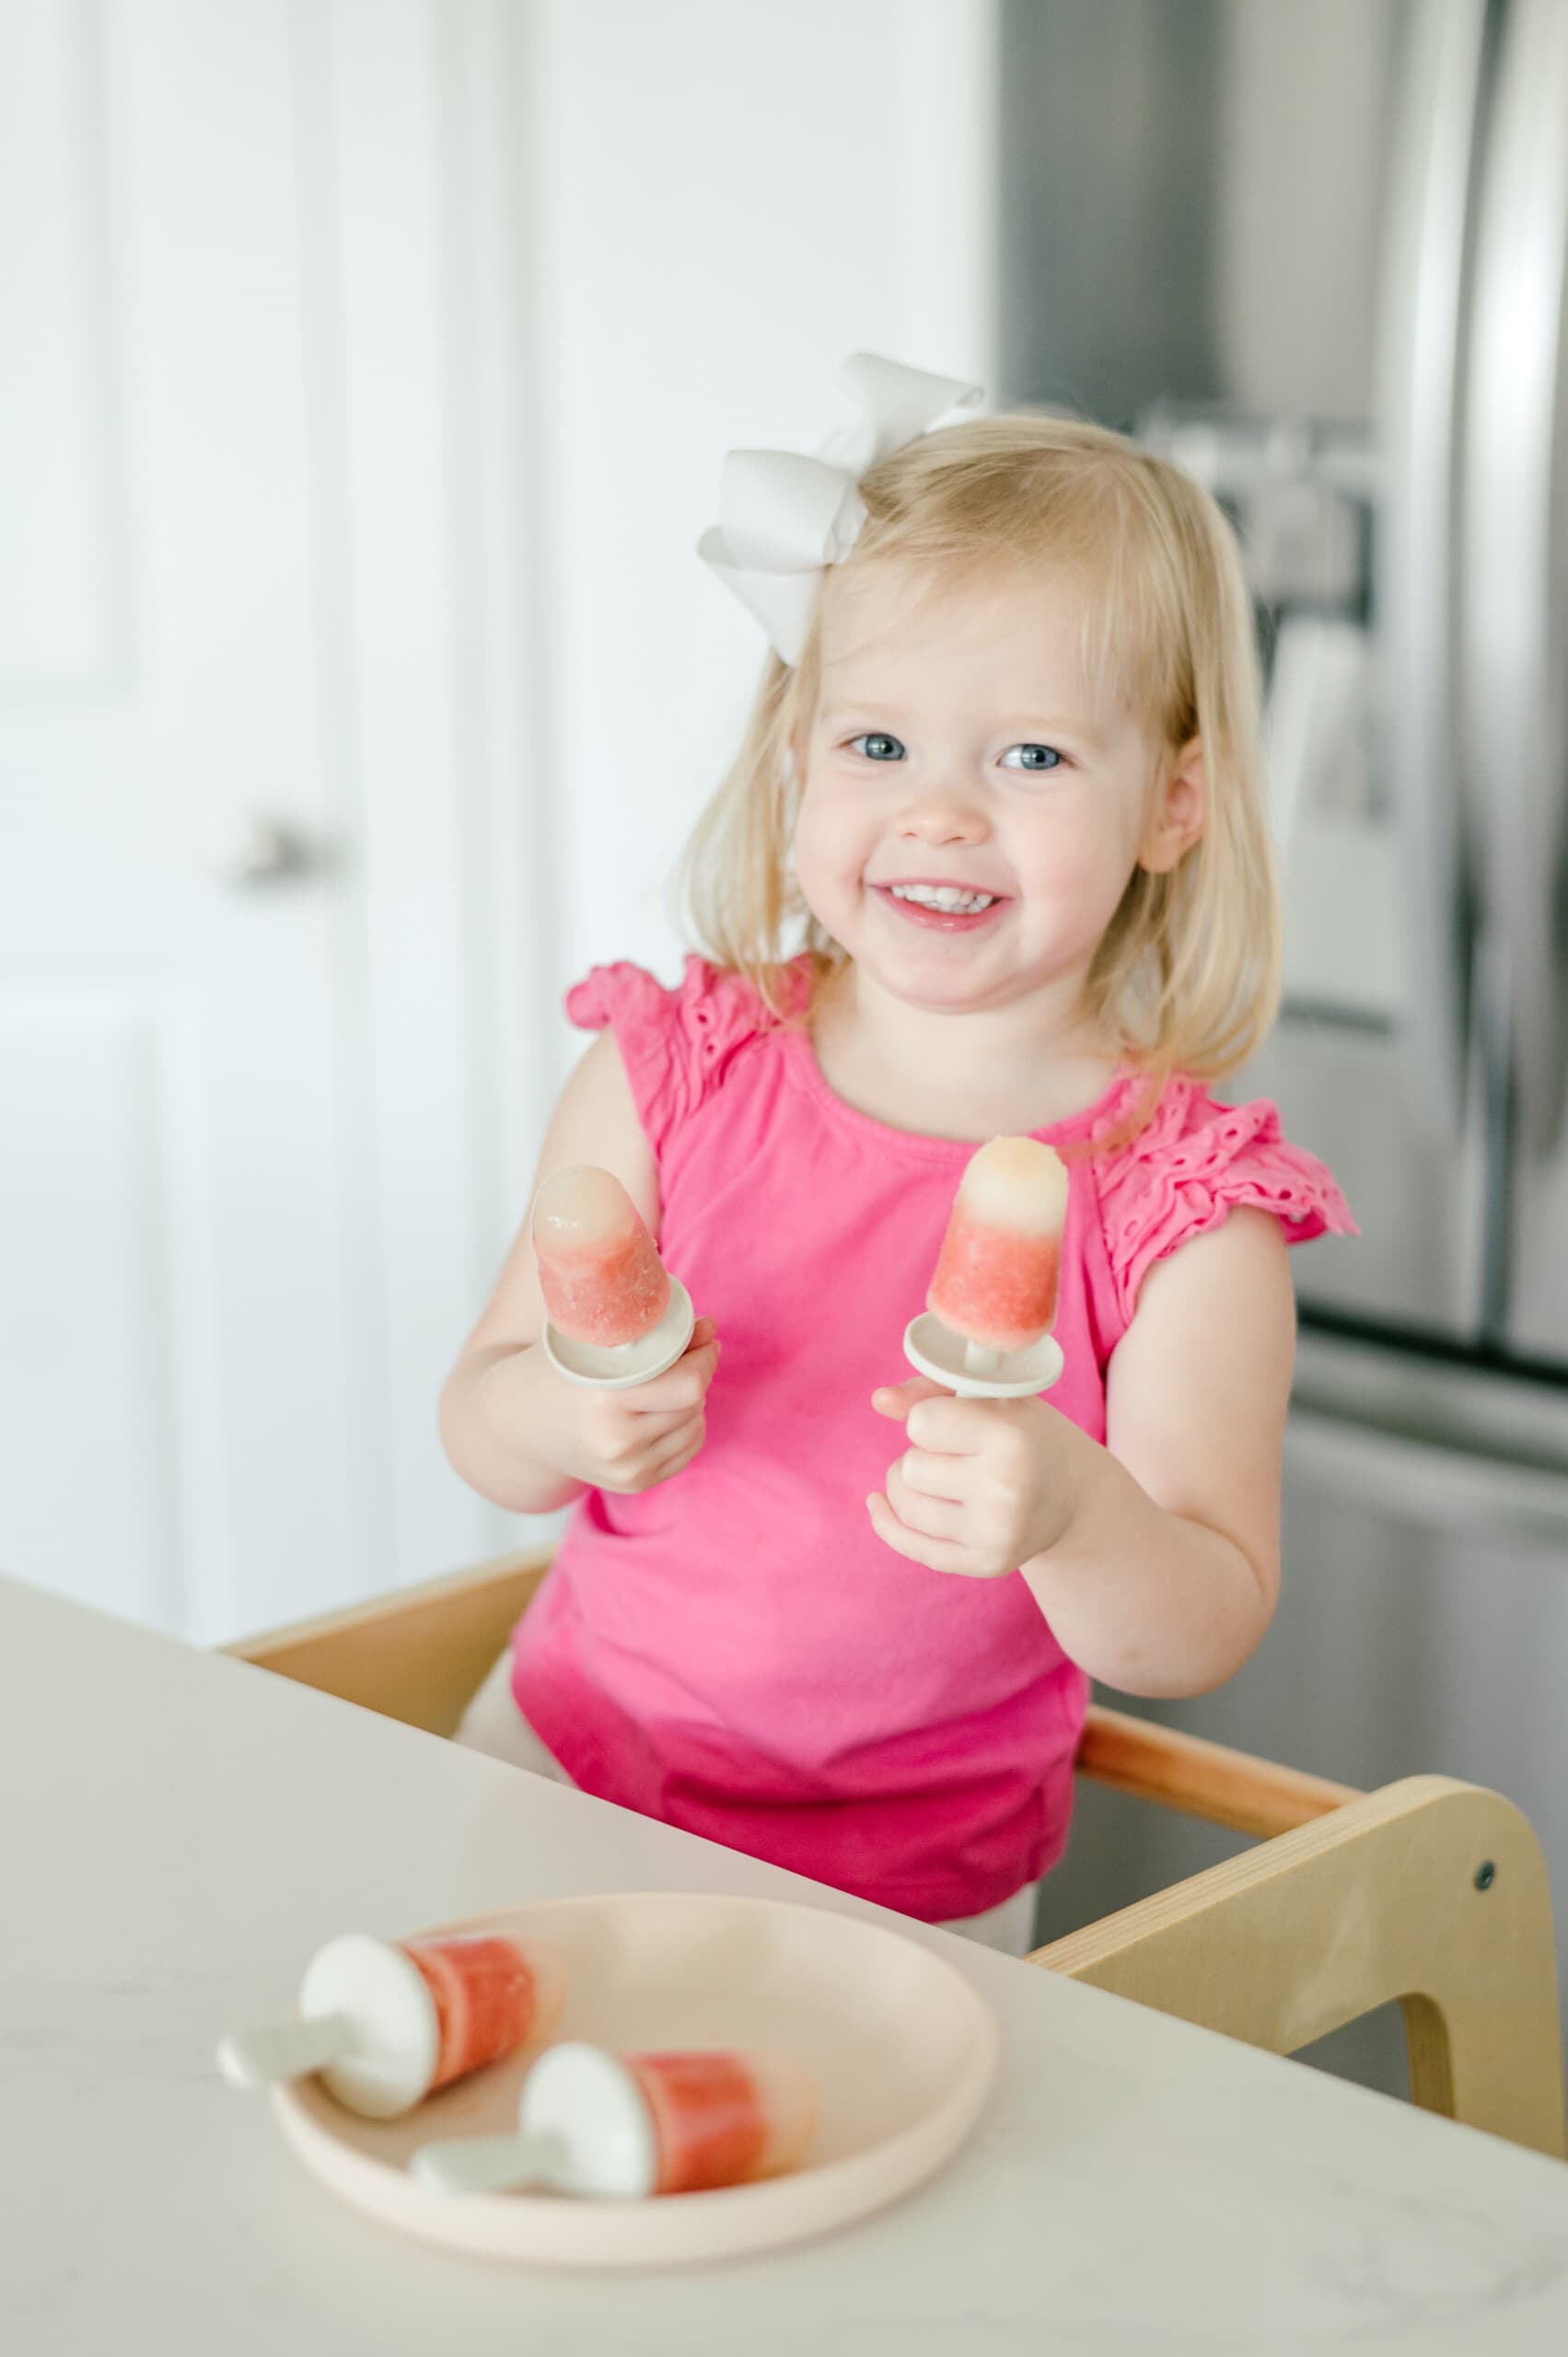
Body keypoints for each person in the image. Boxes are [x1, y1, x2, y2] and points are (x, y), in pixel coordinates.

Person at [440, 355, 1355, 1956]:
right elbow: (485, 1425)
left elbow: (1200, 1621)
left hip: (916, 1896)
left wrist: (1072, 1510)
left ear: (1175, 803)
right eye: (879, 747)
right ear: (797, 748)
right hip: (558, 1776)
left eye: (1032, 758)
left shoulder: (1183, 1212)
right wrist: (563, 1408)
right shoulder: (672, 1073)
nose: (938, 815)